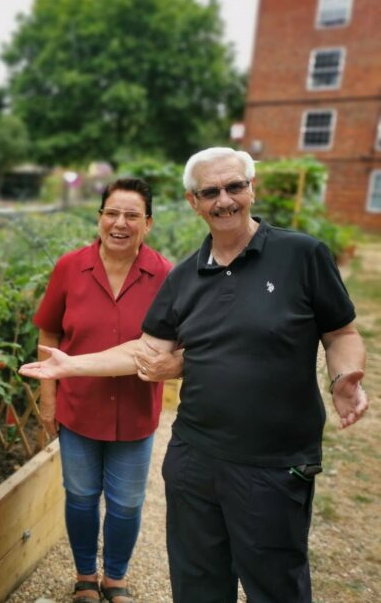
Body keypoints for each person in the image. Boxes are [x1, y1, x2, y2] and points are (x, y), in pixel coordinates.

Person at [20, 147, 368, 603]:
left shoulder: (301, 255)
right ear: (193, 202)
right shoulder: (184, 276)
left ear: (251, 189)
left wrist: (345, 375)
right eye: (210, 192)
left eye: (234, 187)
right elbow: (147, 349)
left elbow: (341, 331)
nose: (224, 199)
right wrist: (70, 365)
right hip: (194, 458)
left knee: (274, 583)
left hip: (273, 462)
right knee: (198, 585)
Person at [33, 177, 182, 603]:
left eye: (132, 215)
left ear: (147, 223)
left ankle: (115, 579)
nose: (120, 223)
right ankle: (85, 577)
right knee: (80, 497)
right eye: (111, 213)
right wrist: (48, 398)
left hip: (135, 412)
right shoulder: (70, 267)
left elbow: (176, 341)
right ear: (99, 217)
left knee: (127, 503)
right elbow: (49, 329)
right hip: (79, 407)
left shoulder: (164, 274)